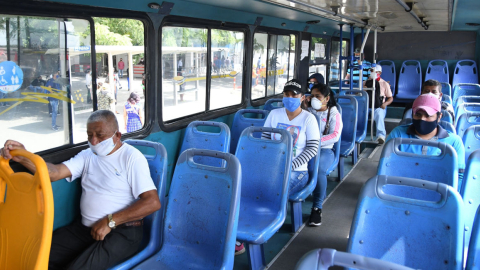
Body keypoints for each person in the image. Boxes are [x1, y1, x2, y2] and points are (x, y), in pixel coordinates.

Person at [1, 110, 161, 270]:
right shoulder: (87, 155)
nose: (94, 141)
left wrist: (110, 221)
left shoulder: (131, 158)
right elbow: (54, 172)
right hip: (85, 229)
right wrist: (25, 157)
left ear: (117, 135)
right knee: (36, 256)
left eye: (100, 135)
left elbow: (152, 202)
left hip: (122, 231)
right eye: (89, 135)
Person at [235, 79, 320, 255]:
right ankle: (239, 230)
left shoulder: (309, 119)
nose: (289, 98)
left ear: (302, 98)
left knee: (269, 193)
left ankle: (253, 231)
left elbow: (312, 149)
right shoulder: (274, 114)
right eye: (286, 94)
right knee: (245, 188)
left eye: (294, 94)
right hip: (271, 169)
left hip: (297, 171)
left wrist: (289, 165)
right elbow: (265, 141)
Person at [387, 94, 465, 188]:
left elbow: (458, 177)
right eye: (418, 114)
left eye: (428, 115)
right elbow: (387, 167)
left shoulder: (453, 142)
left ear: (439, 117)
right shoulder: (398, 134)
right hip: (400, 190)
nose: (422, 119)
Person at [305, 84, 343, 226]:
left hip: (325, 150)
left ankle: (317, 207)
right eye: (312, 96)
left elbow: (335, 135)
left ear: (326, 99)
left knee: (318, 169)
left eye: (318, 96)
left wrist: (315, 141)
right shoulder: (306, 111)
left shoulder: (333, 113)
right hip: (306, 149)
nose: (314, 99)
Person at [363, 65, 393, 144]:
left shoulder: (384, 83)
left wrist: (385, 104)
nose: (373, 73)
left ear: (380, 73)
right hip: (366, 106)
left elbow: (390, 98)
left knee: (379, 114)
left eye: (376, 72)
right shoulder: (365, 83)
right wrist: (364, 89)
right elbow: (357, 94)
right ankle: (359, 134)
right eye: (372, 71)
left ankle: (381, 136)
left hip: (378, 106)